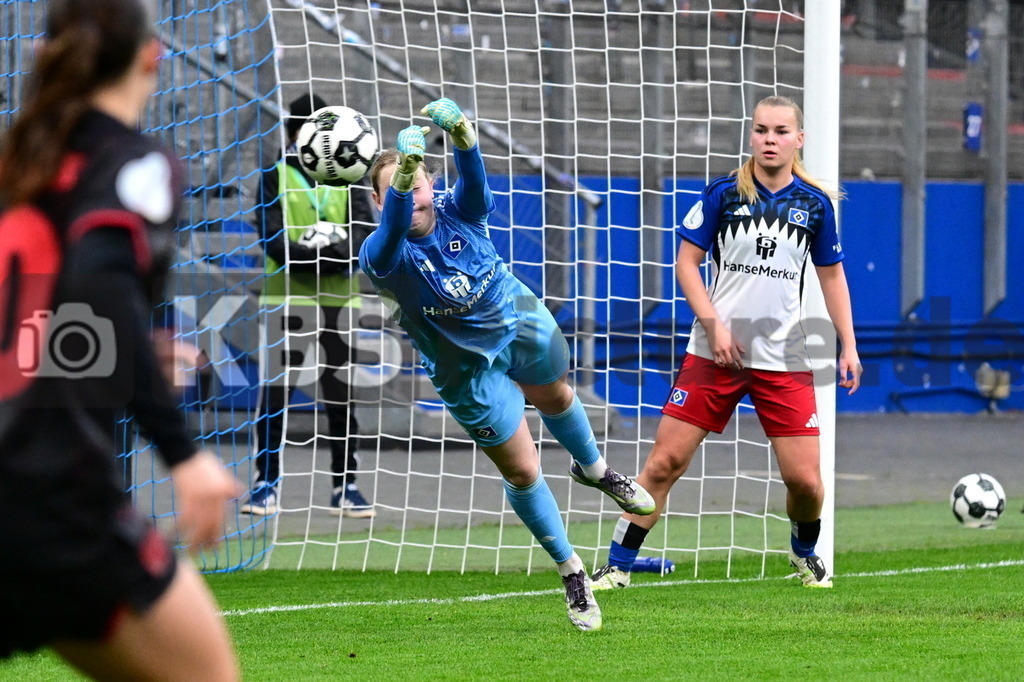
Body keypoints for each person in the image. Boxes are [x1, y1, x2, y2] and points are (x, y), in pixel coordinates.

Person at [0, 0, 242, 679]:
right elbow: (101, 284)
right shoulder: (136, 163)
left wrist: (118, 346)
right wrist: (185, 456)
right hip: (50, 498)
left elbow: (46, 309)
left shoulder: (22, 167)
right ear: (152, 55)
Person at [360, 98, 656, 631]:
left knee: (558, 396)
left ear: (434, 183)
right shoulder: (382, 253)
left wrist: (465, 138)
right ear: (379, 202)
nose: (416, 193)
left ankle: (594, 470)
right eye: (401, 188)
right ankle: (571, 571)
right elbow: (393, 230)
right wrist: (402, 174)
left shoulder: (457, 208)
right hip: (462, 367)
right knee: (521, 469)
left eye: (424, 179)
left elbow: (476, 188)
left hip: (516, 318)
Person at [590, 95, 862, 591]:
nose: (769, 139)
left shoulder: (815, 204)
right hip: (715, 352)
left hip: (784, 355)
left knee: (805, 482)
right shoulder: (723, 194)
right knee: (664, 463)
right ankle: (617, 566)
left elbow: (833, 277)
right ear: (751, 135)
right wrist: (714, 325)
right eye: (761, 130)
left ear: (798, 139)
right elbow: (686, 264)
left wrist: (849, 345)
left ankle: (804, 551)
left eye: (781, 131)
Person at [240, 93, 375, 518]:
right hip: (288, 299)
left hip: (338, 301)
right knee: (276, 392)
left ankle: (345, 485)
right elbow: (273, 241)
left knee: (340, 394)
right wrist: (322, 251)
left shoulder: (348, 175)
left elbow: (363, 237)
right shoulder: (272, 178)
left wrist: (327, 248)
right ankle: (266, 483)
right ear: (297, 132)